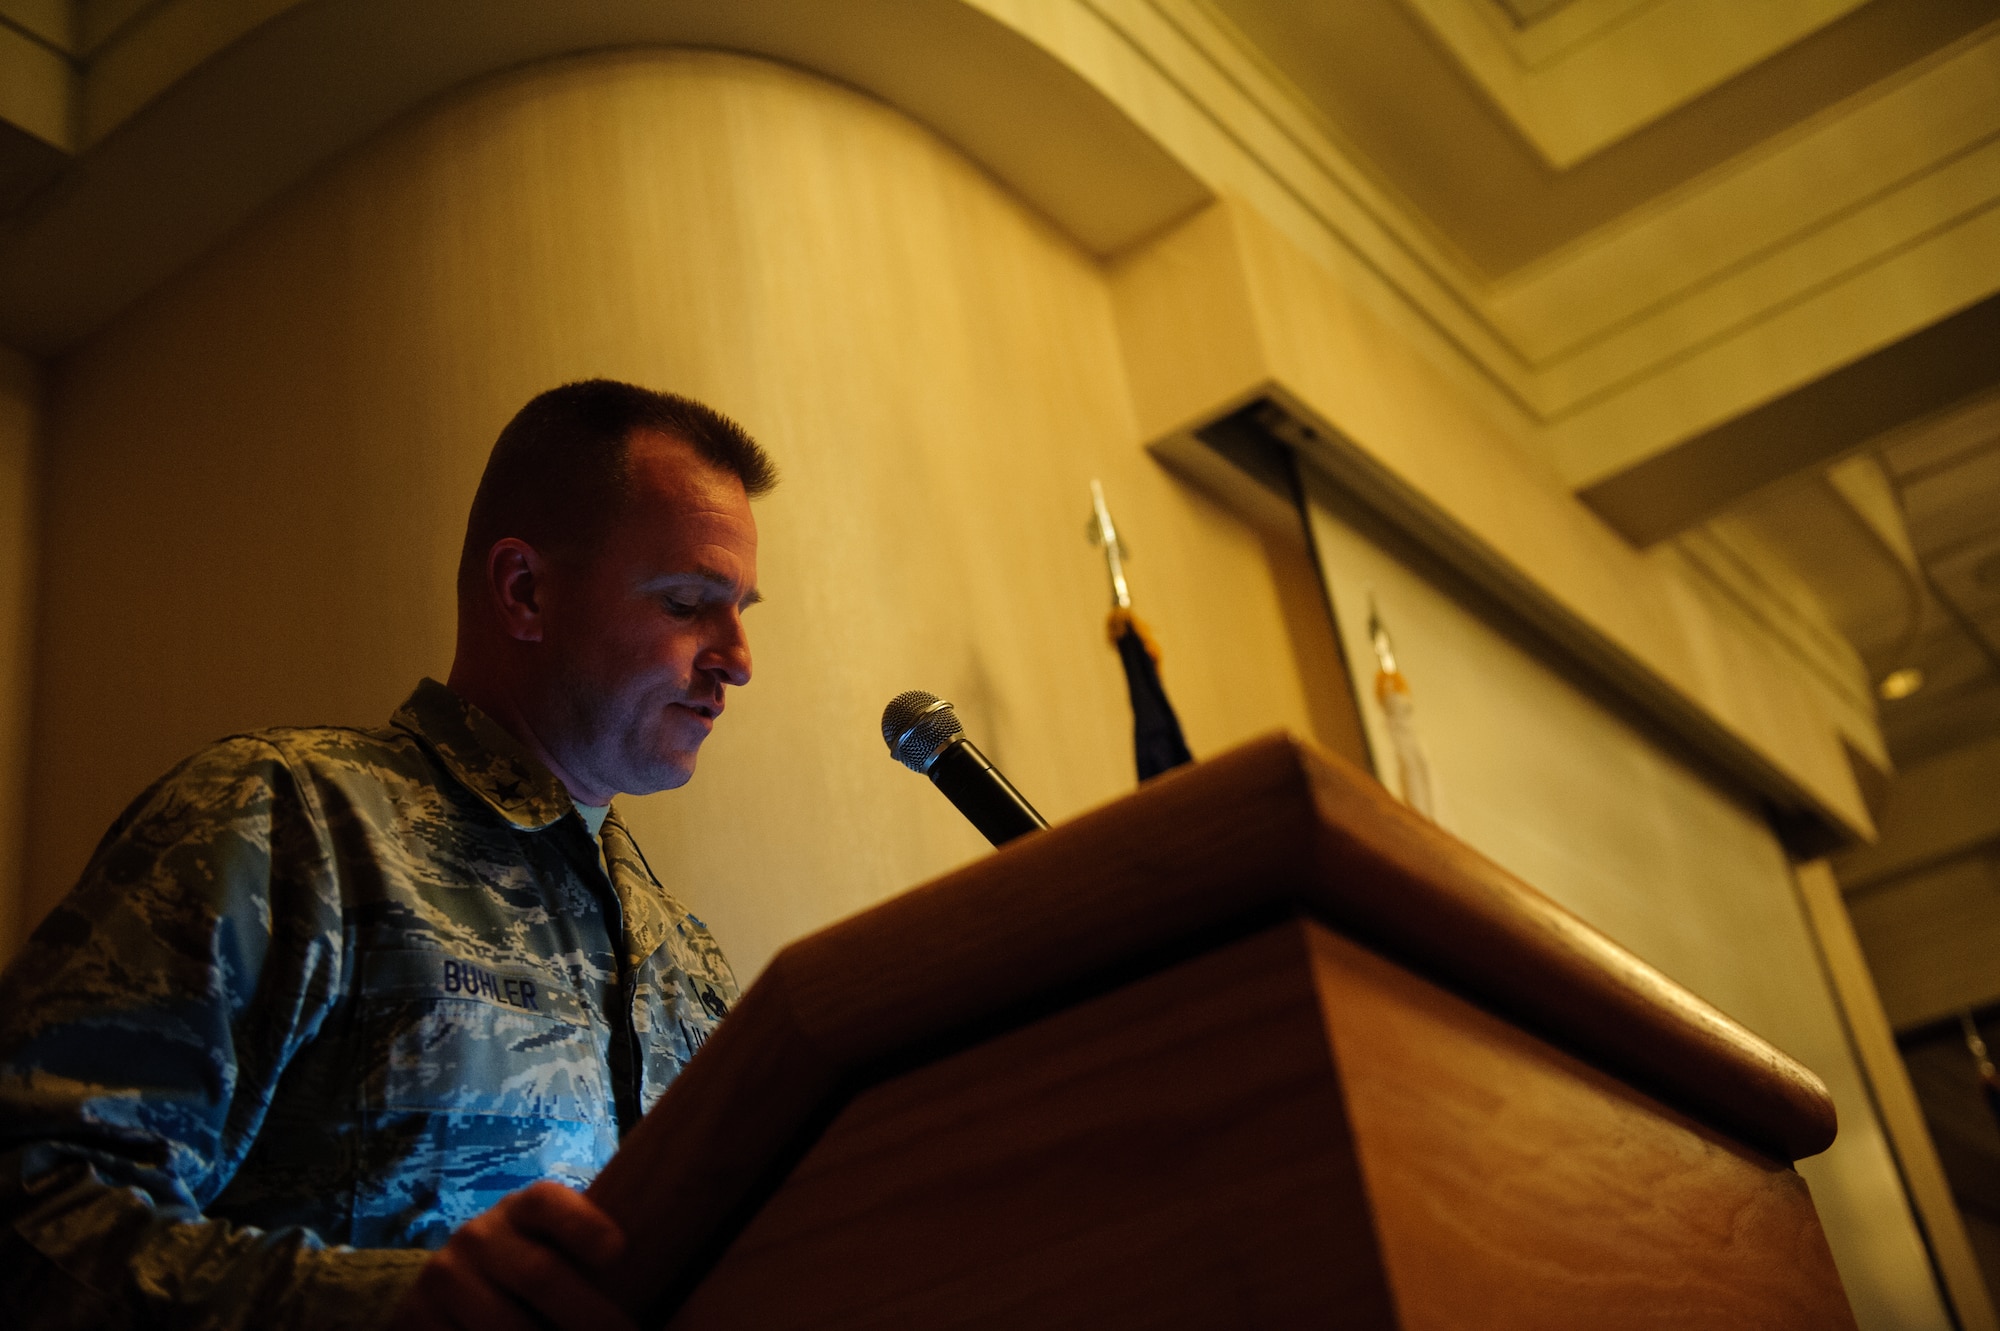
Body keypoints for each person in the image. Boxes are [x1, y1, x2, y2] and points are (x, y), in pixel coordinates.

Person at [0, 379, 777, 1330]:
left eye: (742, 607)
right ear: (524, 591)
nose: (738, 657)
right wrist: (389, 1309)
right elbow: (31, 1206)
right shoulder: (285, 820)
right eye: (690, 602)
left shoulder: (685, 960)